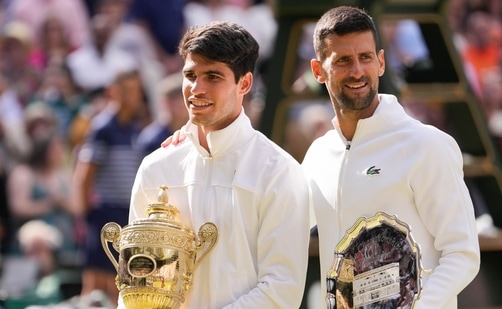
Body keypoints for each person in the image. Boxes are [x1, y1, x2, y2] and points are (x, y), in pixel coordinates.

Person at [164, 6, 481, 308]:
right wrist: (201, 139)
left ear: (381, 63)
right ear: (318, 70)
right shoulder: (319, 154)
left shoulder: (427, 145)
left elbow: (463, 255)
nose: (357, 70)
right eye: (343, 60)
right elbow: (265, 222)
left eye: (365, 57)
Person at [125, 21, 310, 308]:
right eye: (190, 75)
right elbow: (136, 285)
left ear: (244, 83)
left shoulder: (278, 171)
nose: (196, 88)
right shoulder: (156, 167)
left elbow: (281, 289)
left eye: (213, 76)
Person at [73, 69, 146, 306]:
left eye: (135, 91)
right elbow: (84, 176)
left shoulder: (135, 129)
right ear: (112, 92)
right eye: (126, 91)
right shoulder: (102, 128)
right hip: (104, 216)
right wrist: (86, 216)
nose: (131, 97)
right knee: (96, 287)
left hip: (127, 217)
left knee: (122, 285)